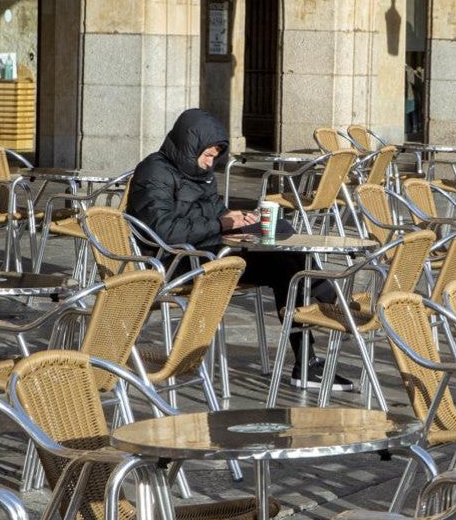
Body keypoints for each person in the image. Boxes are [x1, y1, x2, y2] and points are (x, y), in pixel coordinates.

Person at [127, 108, 351, 391]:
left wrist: (241, 219)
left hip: (207, 252)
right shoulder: (154, 171)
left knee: (290, 258)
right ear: (189, 146)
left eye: (214, 156)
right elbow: (163, 231)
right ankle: (337, 311)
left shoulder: (201, 174)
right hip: (174, 262)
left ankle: (312, 351)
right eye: (206, 155)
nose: (210, 163)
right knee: (284, 267)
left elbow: (214, 212)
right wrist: (222, 223)